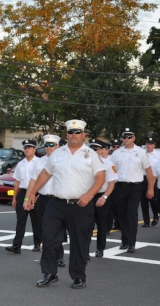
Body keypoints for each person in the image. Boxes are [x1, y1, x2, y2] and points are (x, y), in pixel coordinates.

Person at [25, 119, 105, 289]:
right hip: (56, 204)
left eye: (77, 132)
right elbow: (45, 174)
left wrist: (90, 195)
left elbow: (100, 177)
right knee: (49, 237)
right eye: (70, 132)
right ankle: (49, 273)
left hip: (81, 205)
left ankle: (78, 276)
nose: (73, 135)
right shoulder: (57, 153)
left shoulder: (91, 155)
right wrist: (33, 193)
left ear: (83, 134)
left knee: (79, 241)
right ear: (66, 134)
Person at [109, 127, 155, 253]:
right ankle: (124, 241)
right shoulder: (116, 153)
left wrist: (150, 188)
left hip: (135, 187)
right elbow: (111, 169)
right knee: (122, 214)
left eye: (129, 136)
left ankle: (131, 242)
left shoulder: (140, 152)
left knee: (132, 214)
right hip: (119, 187)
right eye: (124, 136)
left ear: (134, 138)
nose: (127, 139)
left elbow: (149, 171)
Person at [25, 134, 66, 267]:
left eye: (51, 145)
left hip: (57, 199)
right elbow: (33, 180)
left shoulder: (63, 160)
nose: (48, 148)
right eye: (46, 145)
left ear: (58, 146)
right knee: (43, 229)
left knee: (56, 229)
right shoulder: (40, 161)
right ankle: (47, 256)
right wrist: (28, 197)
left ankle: (59, 256)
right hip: (42, 198)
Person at [6, 139, 40, 253]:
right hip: (23, 193)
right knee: (21, 220)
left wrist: (35, 195)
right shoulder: (20, 164)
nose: (27, 150)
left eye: (29, 147)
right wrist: (15, 197)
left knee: (36, 221)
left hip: (35, 194)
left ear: (34, 149)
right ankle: (17, 245)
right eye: (25, 148)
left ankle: (37, 244)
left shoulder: (39, 162)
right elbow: (17, 181)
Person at [88, 139, 117, 258]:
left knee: (101, 224)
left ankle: (100, 248)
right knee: (86, 225)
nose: (94, 151)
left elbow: (111, 183)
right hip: (87, 196)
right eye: (92, 149)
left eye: (96, 149)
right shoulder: (84, 163)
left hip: (101, 196)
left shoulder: (108, 164)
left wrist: (104, 197)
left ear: (101, 150)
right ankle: (85, 250)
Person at [141, 137, 160, 227]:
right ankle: (146, 221)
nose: (149, 145)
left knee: (152, 199)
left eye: (151, 144)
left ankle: (156, 215)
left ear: (154, 145)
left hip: (153, 178)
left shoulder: (158, 154)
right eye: (148, 143)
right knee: (143, 201)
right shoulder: (142, 153)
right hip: (143, 178)